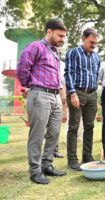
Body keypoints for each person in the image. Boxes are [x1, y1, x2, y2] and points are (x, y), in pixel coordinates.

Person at [16, 19, 67, 184]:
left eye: (64, 37)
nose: (62, 39)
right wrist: (31, 85)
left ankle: (47, 165)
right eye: (60, 36)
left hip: (55, 96)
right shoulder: (35, 46)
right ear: (49, 31)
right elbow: (23, 67)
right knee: (37, 135)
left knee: (54, 133)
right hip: (40, 94)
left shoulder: (55, 52)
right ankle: (35, 171)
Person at [64, 28, 101, 170]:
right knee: (74, 126)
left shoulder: (97, 57)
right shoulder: (73, 53)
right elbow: (68, 74)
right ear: (83, 38)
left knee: (90, 126)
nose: (93, 45)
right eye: (91, 42)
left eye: (95, 43)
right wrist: (72, 94)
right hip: (77, 93)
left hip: (92, 94)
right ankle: (72, 159)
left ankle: (87, 155)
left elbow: (96, 75)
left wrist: (95, 96)